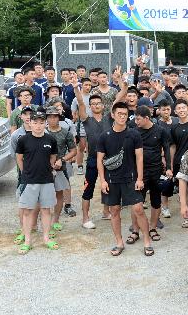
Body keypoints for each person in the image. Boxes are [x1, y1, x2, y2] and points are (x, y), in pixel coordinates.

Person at [96, 102, 151, 257]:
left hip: (131, 178)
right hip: (111, 179)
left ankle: (147, 240)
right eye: (119, 113)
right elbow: (100, 160)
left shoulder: (134, 134)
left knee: (138, 209)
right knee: (114, 210)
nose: (122, 116)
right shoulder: (104, 136)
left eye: (125, 114)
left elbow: (139, 158)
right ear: (113, 115)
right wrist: (103, 181)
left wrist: (140, 179)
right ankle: (119, 242)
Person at [74, 80, 124, 229]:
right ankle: (85, 218)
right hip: (92, 160)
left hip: (109, 160)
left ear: (103, 105)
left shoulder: (109, 117)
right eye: (93, 103)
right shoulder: (86, 120)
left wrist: (124, 83)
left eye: (98, 103)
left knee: (108, 186)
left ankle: (105, 211)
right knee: (88, 189)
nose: (96, 105)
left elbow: (119, 98)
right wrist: (76, 88)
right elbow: (81, 103)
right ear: (91, 106)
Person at [14, 111, 60, 254]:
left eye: (41, 123)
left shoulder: (51, 140)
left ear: (45, 123)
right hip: (29, 181)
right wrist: (25, 173)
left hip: (47, 180)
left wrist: (48, 168)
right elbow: (19, 159)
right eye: (35, 122)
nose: (38, 126)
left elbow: (53, 157)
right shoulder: (23, 140)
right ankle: (28, 240)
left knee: (46, 210)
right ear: (30, 123)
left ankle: (46, 238)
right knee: (27, 211)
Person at [133, 105, 172, 242]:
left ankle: (153, 228)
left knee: (156, 201)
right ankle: (135, 230)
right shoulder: (134, 132)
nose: (136, 122)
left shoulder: (161, 130)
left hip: (156, 170)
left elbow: (166, 149)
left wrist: (168, 167)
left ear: (147, 118)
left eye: (138, 119)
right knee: (137, 202)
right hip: (140, 172)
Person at [43, 106, 76, 235]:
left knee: (59, 194)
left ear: (59, 117)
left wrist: (62, 160)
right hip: (44, 169)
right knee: (43, 196)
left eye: (55, 116)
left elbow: (73, 151)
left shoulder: (66, 132)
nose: (52, 119)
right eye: (50, 116)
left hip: (60, 168)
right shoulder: (42, 132)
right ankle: (45, 220)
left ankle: (55, 220)